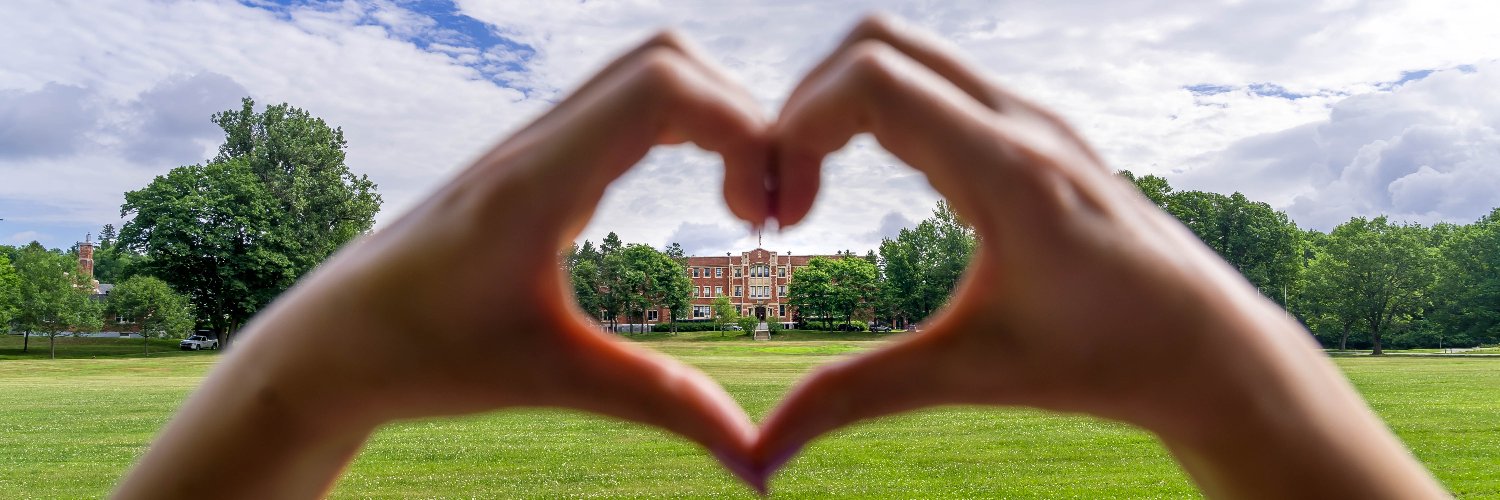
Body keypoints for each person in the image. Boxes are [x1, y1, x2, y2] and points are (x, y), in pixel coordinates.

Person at [113, 14, 1447, 499]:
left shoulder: (793, 276)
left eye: (752, 282)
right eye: (741, 282)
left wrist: (293, 385)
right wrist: (1241, 383)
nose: (749, 286)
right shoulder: (709, 276)